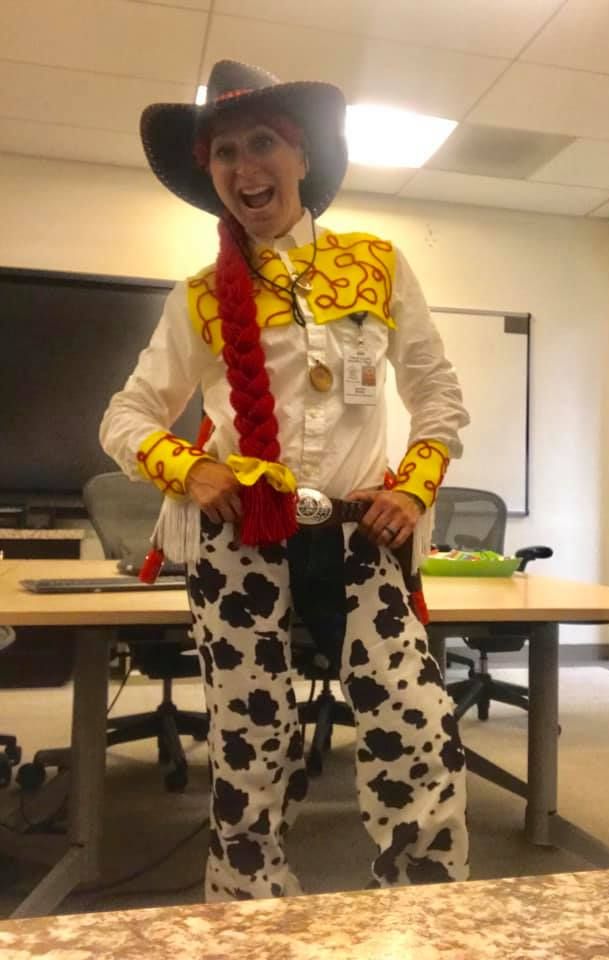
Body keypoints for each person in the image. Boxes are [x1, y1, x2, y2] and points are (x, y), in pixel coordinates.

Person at [100, 59, 471, 902]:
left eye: (261, 142)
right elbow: (124, 419)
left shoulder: (376, 265)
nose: (242, 167)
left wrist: (412, 489)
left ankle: (432, 916)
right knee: (247, 747)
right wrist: (190, 467)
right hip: (240, 547)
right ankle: (247, 913)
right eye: (223, 151)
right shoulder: (197, 298)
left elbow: (439, 398)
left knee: (416, 732)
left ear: (302, 156)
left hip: (361, 537)